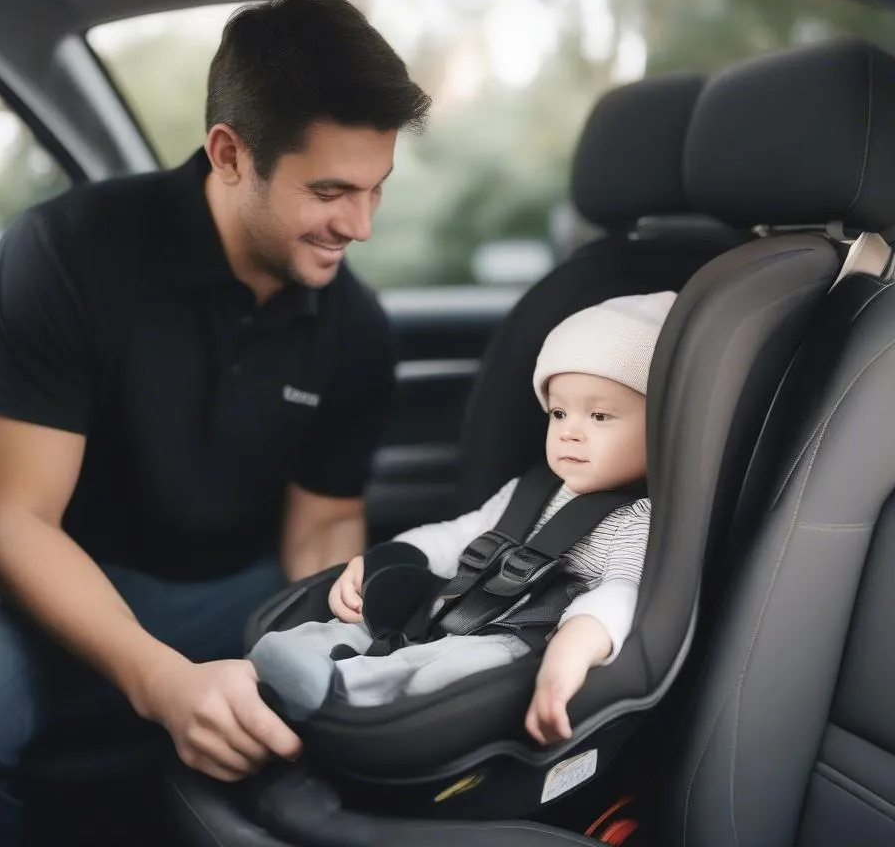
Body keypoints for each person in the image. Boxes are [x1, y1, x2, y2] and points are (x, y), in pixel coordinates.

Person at [0, 0, 430, 847]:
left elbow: (323, 529)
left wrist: (347, 651)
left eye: (376, 190)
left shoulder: (354, 326)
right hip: (30, 593)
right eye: (328, 191)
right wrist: (162, 683)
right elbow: (14, 522)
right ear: (229, 154)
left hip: (225, 591)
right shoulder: (68, 254)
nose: (359, 226)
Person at [251, 292, 675, 746]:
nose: (570, 429)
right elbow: (464, 533)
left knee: (460, 665)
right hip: (454, 604)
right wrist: (388, 557)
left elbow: (622, 592)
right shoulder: (529, 490)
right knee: (369, 617)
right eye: (558, 412)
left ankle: (358, 691)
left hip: (517, 637)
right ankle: (301, 655)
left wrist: (573, 647)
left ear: (659, 430)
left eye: (600, 415)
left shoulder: (638, 519)